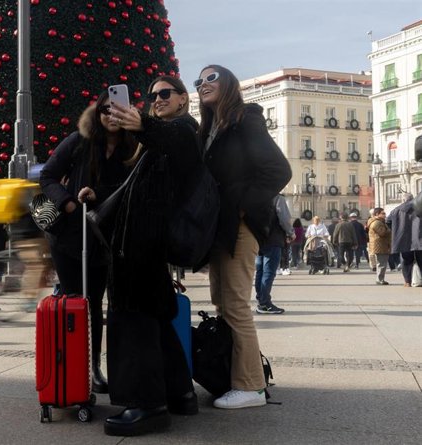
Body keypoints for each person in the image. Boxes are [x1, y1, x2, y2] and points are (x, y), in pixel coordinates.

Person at [104, 75, 202, 435]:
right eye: (152, 96)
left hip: (144, 243)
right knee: (158, 318)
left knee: (136, 321)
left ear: (182, 99)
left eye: (165, 93)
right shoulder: (158, 135)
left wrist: (143, 124)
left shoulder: (184, 129)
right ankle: (179, 393)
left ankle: (148, 405)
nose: (157, 99)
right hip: (144, 241)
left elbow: (175, 144)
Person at [196, 65, 291, 409]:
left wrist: (241, 208)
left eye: (211, 78)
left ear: (229, 84)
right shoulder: (212, 127)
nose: (203, 84)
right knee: (222, 304)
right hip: (221, 228)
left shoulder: (245, 119)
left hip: (239, 226)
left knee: (235, 305)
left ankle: (250, 386)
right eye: (199, 80)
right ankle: (232, 377)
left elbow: (278, 170)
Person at [40, 90, 136, 396]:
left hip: (103, 239)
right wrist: (68, 202)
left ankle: (93, 367)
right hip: (69, 236)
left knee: (94, 303)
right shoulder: (79, 141)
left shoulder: (131, 149)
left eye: (117, 110)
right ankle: (71, 366)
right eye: (106, 110)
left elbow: (130, 189)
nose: (111, 116)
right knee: (73, 301)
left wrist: (100, 195)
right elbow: (48, 176)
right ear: (98, 113)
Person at [254, 195, 294, 314]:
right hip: (273, 239)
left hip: (259, 240)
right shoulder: (277, 198)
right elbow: (284, 218)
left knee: (260, 271)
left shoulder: (257, 196)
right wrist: (290, 232)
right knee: (268, 272)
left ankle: (261, 301)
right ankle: (265, 303)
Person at [387, 193, 422, 287]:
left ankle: (407, 281)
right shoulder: (419, 208)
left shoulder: (396, 210)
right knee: (421, 260)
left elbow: (388, 221)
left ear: (403, 200)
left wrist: (396, 230)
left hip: (403, 239)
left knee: (406, 261)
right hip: (419, 239)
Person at [369, 208, 392, 285]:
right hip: (379, 246)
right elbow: (382, 233)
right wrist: (389, 230)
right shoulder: (376, 223)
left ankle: (380, 279)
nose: (384, 215)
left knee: (382, 263)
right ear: (377, 214)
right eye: (383, 213)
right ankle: (379, 279)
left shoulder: (380, 222)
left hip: (381, 245)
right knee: (381, 264)